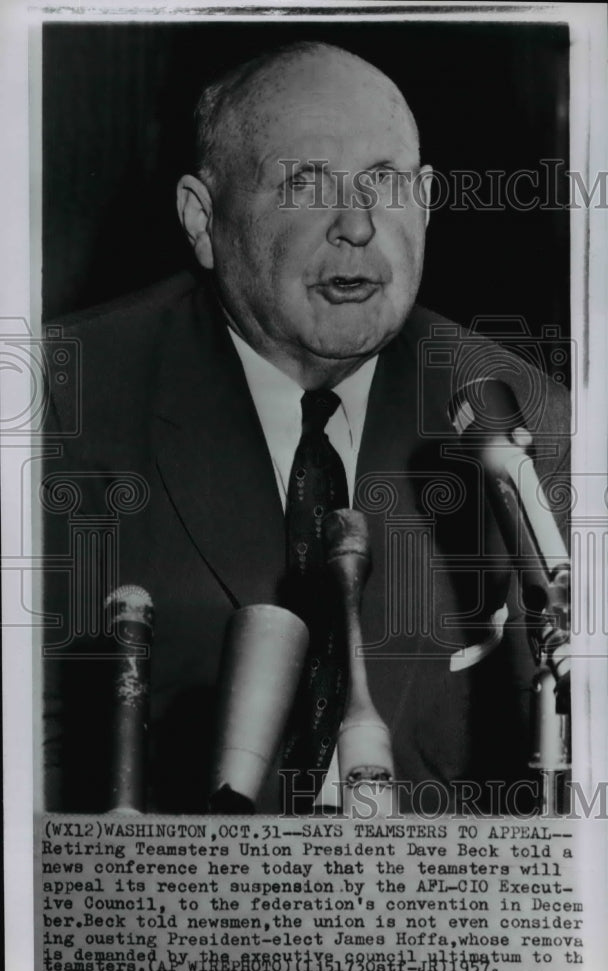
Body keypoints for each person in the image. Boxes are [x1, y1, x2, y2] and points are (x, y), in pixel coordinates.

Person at [43, 41, 570, 815]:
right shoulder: (60, 400)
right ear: (202, 218)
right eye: (305, 182)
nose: (357, 225)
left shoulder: (527, 422)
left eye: (385, 182)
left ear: (424, 201)